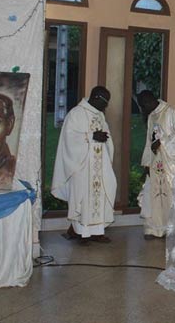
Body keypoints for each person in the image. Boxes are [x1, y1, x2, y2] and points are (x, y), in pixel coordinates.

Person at [51, 86, 116, 243]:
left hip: (100, 166)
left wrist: (104, 139)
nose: (106, 106)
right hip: (82, 166)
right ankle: (80, 232)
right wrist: (91, 136)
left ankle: (97, 232)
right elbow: (69, 138)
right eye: (105, 102)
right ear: (96, 97)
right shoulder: (76, 114)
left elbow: (106, 137)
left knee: (102, 193)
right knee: (83, 198)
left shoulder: (100, 115)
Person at [137, 90, 175, 239]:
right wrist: (147, 163)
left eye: (144, 105)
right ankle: (154, 229)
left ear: (151, 100)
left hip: (170, 163)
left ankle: (171, 229)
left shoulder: (171, 112)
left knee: (169, 195)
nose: (144, 108)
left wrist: (162, 142)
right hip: (156, 162)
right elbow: (149, 141)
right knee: (153, 195)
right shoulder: (151, 116)